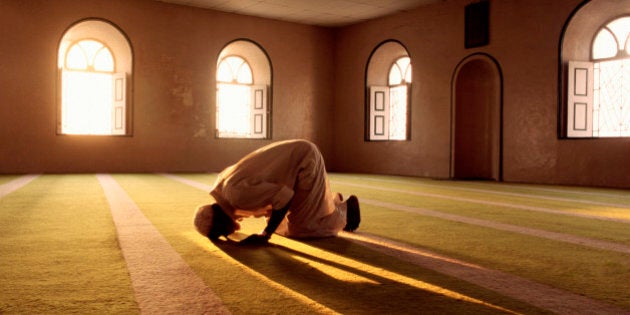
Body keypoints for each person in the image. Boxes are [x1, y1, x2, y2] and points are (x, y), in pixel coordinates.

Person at [194, 139, 360, 245]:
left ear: (223, 223)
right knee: (280, 225)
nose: (229, 233)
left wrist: (265, 235)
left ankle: (345, 211)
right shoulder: (224, 190)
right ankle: (329, 203)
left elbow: (284, 197)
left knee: (305, 229)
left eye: (223, 233)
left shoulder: (237, 195)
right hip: (296, 168)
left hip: (305, 162)